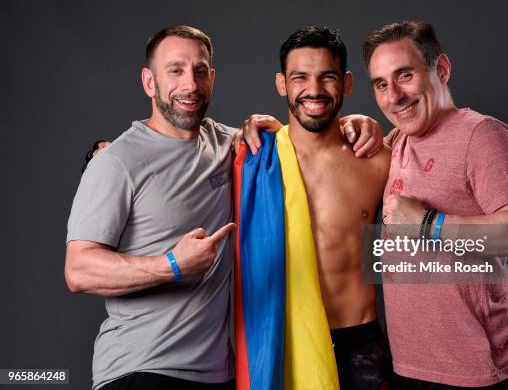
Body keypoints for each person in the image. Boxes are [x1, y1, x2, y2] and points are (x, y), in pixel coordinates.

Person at [67, 25, 383, 390]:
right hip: (142, 367)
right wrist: (171, 265)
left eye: (200, 71)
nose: (190, 84)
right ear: (149, 82)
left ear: (212, 78)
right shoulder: (117, 161)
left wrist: (358, 122)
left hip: (220, 371)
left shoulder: (236, 146)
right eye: (175, 70)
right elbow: (78, 271)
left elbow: (303, 132)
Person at [362, 21, 508, 390]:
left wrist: (430, 224)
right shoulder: (397, 142)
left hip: (480, 369)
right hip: (410, 367)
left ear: (441, 69)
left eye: (405, 76)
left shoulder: (483, 135)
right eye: (381, 84)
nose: (393, 96)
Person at [243, 26, 393, 390]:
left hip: (361, 342)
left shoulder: (377, 159)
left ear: (346, 83)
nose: (314, 90)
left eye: (327, 77)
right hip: (287, 341)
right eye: (300, 77)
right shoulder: (253, 160)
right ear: (282, 84)